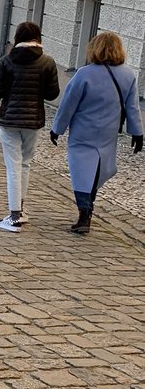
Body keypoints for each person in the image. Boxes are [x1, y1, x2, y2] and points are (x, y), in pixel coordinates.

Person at [49, 30, 143, 235]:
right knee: (98, 171)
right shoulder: (128, 75)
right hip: (108, 133)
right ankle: (87, 208)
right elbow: (133, 107)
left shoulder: (84, 73)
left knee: (81, 172)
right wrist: (137, 133)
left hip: (83, 131)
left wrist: (57, 129)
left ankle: (84, 213)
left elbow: (68, 105)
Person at [0, 21, 60, 232]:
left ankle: (14, 216)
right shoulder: (47, 62)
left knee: (13, 166)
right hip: (33, 120)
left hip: (9, 120)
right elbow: (52, 94)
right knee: (25, 164)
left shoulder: (7, 61)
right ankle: (20, 208)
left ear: (18, 37)